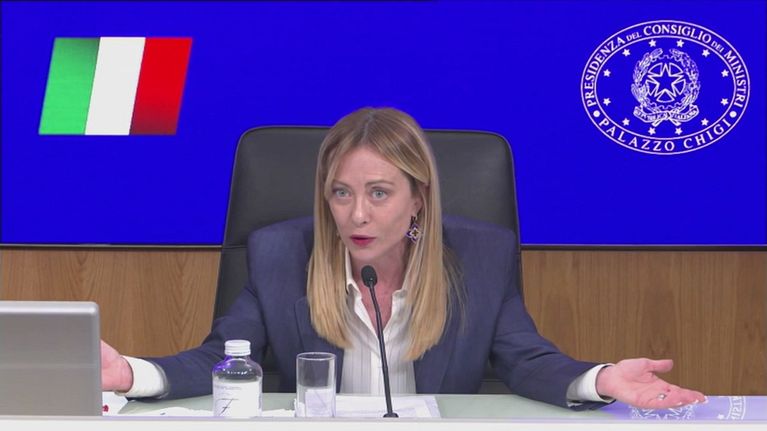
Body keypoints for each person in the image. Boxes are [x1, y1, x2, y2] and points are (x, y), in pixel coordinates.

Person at [101, 107, 706, 410]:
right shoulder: (280, 254)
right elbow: (222, 358)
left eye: (379, 193)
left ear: (418, 199)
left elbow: (526, 362)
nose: (356, 215)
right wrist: (129, 373)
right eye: (341, 193)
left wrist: (601, 380)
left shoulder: (480, 256)